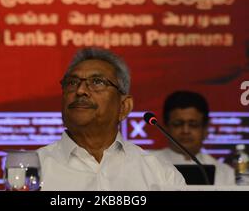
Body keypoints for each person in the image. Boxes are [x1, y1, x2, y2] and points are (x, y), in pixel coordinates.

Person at [38, 47, 185, 191]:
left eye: (97, 82)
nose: (80, 91)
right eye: (72, 82)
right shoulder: (33, 170)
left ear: (124, 106)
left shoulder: (161, 174)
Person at [152, 91, 235, 185]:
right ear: (166, 128)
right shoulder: (148, 163)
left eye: (193, 125)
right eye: (177, 124)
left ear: (205, 129)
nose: (185, 131)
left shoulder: (224, 173)